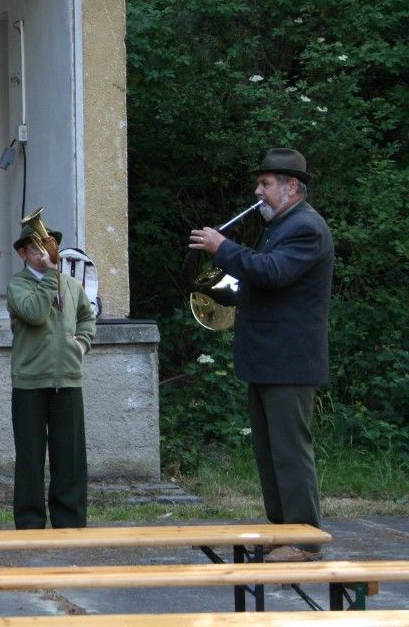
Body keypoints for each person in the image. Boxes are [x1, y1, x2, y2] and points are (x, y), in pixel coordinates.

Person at [189, 147, 333, 563]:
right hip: (268, 358)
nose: (258, 191)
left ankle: (305, 541)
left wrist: (223, 248)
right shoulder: (281, 224)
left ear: (292, 187)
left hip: (289, 359)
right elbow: (260, 274)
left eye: (266, 184)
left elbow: (273, 271)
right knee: (269, 452)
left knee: (290, 450)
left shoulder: (306, 227)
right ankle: (282, 529)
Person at [7, 218, 96, 529]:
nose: (44, 253)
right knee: (30, 458)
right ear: (22, 254)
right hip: (30, 381)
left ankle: (69, 521)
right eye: (36, 249)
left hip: (68, 378)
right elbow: (33, 313)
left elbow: (87, 317)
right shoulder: (18, 285)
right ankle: (30, 523)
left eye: (48, 246)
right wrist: (49, 276)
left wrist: (82, 344)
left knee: (70, 455)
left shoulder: (71, 285)